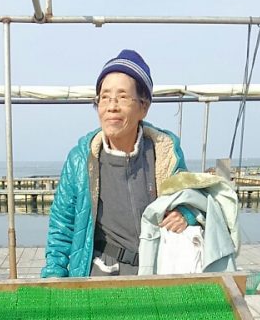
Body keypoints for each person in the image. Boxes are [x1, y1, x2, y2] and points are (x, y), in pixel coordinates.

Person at [41, 49, 197, 278]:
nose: (111, 106)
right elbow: (61, 228)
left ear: (143, 107)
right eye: (105, 97)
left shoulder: (165, 153)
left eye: (122, 97)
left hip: (158, 272)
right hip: (101, 275)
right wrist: (53, 278)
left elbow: (192, 200)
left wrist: (185, 214)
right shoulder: (81, 160)